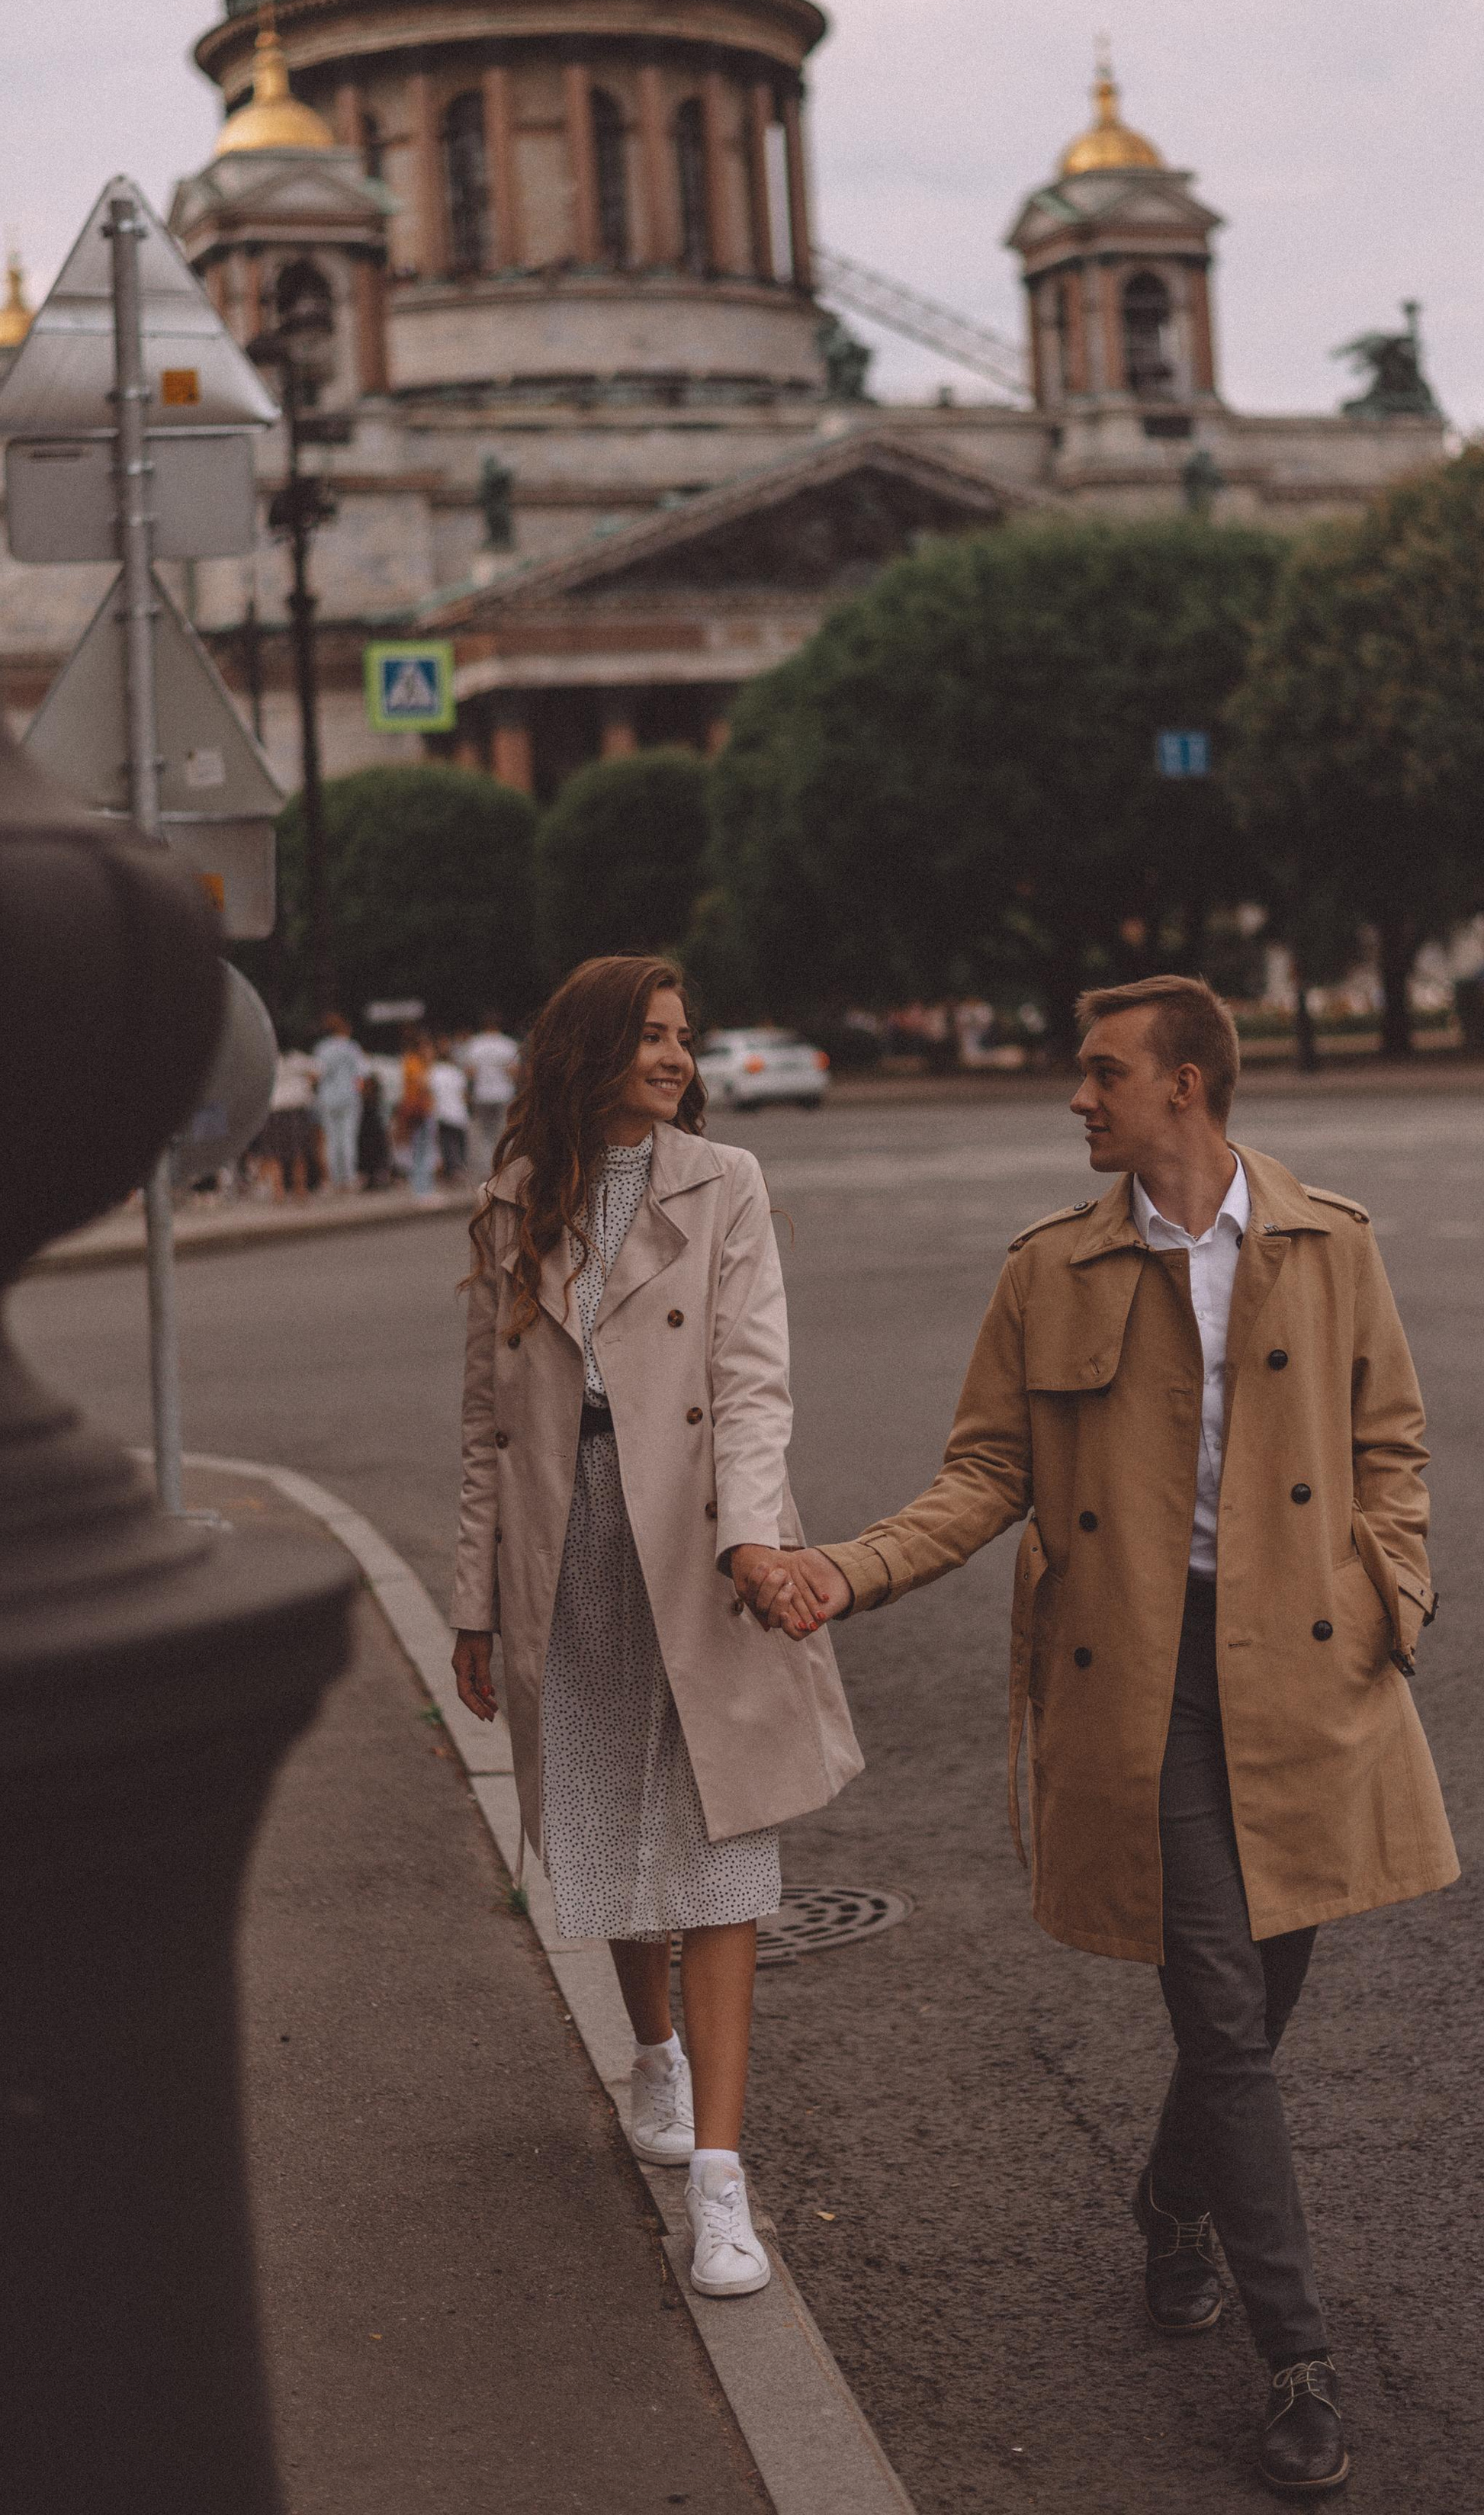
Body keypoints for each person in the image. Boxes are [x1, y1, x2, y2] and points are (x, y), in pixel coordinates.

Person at [740, 975, 1457, 2498]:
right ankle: (1299, 2364)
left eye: (1102, 1073)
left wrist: (1391, 1590)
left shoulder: (1328, 1244)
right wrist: (839, 1570)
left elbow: (1388, 1439)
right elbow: (980, 1471)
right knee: (1222, 2019)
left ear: (1185, 1090)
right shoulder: (1049, 1270)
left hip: (1308, 1675)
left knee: (1269, 1991)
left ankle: (1164, 2194)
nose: (1078, 1096)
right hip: (1144, 1678)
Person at [448, 954, 859, 2302]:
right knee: (616, 1829)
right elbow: (485, 1430)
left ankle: (723, 2184)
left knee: (725, 1844)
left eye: (687, 1038)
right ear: (591, 1051)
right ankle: (654, 2053)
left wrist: (754, 1536)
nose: (680, 1060)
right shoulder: (514, 1204)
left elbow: (752, 1379)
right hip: (570, 1553)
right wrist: (469, 1602)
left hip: (700, 1546)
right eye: (655, 1039)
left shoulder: (725, 1184)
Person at [312, 1013, 368, 1193]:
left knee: (331, 1140)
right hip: (349, 1097)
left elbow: (318, 1074)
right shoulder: (352, 1048)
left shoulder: (322, 1048)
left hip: (328, 1098)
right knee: (348, 1137)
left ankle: (335, 1179)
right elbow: (361, 1076)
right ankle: (349, 1177)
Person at [262, 1041, 319, 1201]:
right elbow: (317, 1073)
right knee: (298, 1150)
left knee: (274, 1152)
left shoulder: (269, 1059)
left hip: (276, 1108)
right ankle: (300, 1188)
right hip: (296, 1107)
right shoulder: (298, 1059)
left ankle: (278, 1190)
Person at [462, 1011, 520, 1161]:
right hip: (503, 1093)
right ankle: (503, 1164)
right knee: (503, 1132)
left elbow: (470, 1072)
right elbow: (514, 1072)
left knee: (484, 1134)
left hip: (482, 1094)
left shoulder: (475, 1044)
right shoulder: (508, 1044)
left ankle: (488, 1167)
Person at [393, 1030, 438, 1200]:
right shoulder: (415, 1063)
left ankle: (423, 1186)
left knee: (421, 1148)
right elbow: (423, 1085)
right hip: (420, 1110)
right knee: (423, 1149)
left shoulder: (410, 1062)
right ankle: (422, 1189)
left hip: (422, 1109)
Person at [429, 1037, 473, 1187]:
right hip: (459, 1113)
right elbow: (465, 1095)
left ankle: (452, 1171)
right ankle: (459, 1169)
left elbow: (430, 1093)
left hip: (442, 1113)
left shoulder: (433, 1072)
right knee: (459, 1143)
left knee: (447, 1144)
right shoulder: (456, 1072)